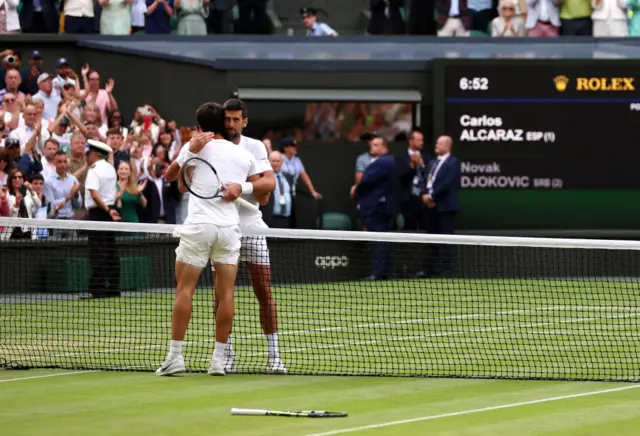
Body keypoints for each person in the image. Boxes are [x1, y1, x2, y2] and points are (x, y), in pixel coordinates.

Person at [156, 102, 262, 376]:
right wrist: (241, 187)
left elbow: (169, 177)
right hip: (229, 230)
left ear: (200, 127)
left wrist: (189, 151)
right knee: (226, 294)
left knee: (184, 290)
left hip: (199, 228)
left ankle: (175, 357)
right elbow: (262, 193)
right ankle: (218, 360)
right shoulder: (243, 155)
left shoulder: (193, 146)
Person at [219, 98, 285, 373]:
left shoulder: (255, 146)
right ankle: (226, 356)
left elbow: (267, 187)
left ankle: (274, 356)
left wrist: (241, 187)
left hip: (252, 228)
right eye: (227, 119)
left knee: (263, 291)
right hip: (223, 227)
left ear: (244, 121)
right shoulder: (213, 147)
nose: (231, 124)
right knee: (223, 294)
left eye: (236, 119)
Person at [354, 136, 396, 280]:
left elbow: (365, 180)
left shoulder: (385, 161)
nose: (373, 147)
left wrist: (357, 188)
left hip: (379, 208)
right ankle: (384, 271)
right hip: (376, 207)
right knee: (381, 239)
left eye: (377, 145)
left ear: (384, 147)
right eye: (372, 145)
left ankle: (378, 272)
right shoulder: (382, 162)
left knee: (379, 239)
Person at [419, 135, 461, 277]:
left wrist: (432, 197)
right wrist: (425, 196)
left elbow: (447, 184)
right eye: (436, 142)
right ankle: (429, 269)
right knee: (430, 239)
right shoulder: (432, 163)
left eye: (440, 143)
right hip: (430, 208)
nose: (436, 145)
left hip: (445, 207)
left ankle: (446, 271)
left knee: (446, 239)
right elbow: (425, 180)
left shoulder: (453, 163)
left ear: (448, 146)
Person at [84, 139, 121, 298]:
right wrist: (110, 210)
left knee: (98, 251)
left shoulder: (93, 170)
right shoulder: (111, 169)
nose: (86, 156)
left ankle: (98, 288)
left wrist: (106, 210)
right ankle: (113, 286)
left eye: (87, 153)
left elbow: (94, 194)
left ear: (94, 154)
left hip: (99, 213)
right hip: (110, 211)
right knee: (110, 250)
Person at [396, 129, 430, 233]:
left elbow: (430, 176)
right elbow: (399, 175)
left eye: (422, 140)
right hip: (408, 200)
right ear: (410, 141)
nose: (422, 143)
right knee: (409, 230)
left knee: (426, 230)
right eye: (419, 140)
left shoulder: (427, 157)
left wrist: (422, 164)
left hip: (423, 200)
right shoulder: (400, 158)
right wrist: (411, 164)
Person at [262, 150, 294, 229]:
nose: (275, 164)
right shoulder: (263, 178)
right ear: (268, 162)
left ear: (282, 162)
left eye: (277, 161)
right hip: (270, 219)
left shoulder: (288, 177)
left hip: (287, 220)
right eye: (272, 161)